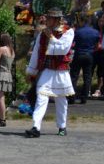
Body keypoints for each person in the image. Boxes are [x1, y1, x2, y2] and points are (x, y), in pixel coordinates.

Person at [25, 8, 75, 138]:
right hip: (47, 71)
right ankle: (36, 126)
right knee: (41, 96)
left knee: (61, 100)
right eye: (47, 18)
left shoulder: (68, 32)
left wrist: (51, 37)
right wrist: (31, 71)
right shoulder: (43, 34)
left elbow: (62, 50)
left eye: (49, 18)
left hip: (61, 71)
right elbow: (36, 52)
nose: (46, 21)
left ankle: (62, 126)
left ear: (57, 20)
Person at [69, 12, 100, 104]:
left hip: (78, 54)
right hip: (89, 55)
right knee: (87, 77)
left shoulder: (77, 32)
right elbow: (97, 45)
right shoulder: (95, 32)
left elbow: (72, 44)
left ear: (81, 21)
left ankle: (71, 97)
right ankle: (84, 97)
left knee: (74, 76)